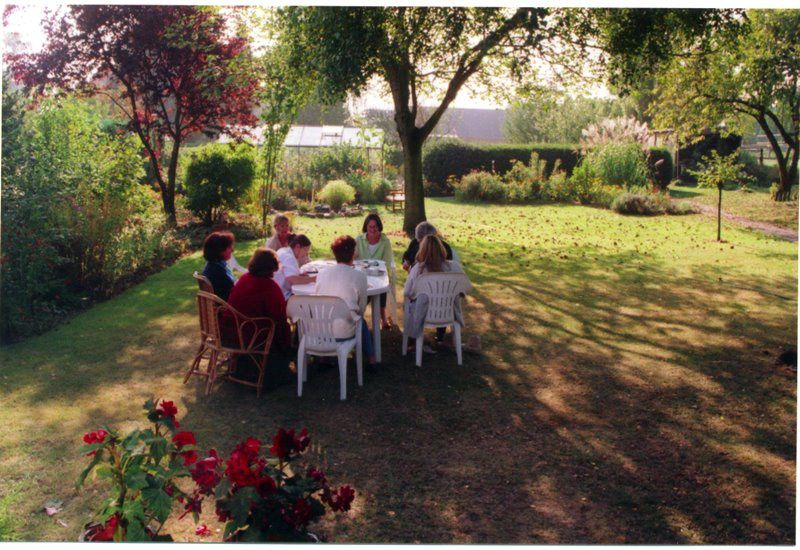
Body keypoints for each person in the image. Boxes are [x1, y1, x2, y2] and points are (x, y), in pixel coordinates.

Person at [314, 235, 376, 367]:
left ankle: (324, 357)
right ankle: (371, 358)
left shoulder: (322, 274)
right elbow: (362, 308)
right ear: (353, 253)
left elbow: (318, 297)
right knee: (360, 320)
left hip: (322, 329)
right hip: (345, 331)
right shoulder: (359, 276)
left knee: (354, 319)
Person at [403, 234, 471, 352]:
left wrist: (416, 295)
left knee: (408, 305)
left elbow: (407, 292)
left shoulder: (417, 269)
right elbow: (466, 288)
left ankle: (413, 341)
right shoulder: (454, 267)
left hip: (424, 314)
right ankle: (445, 339)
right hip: (448, 312)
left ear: (421, 250)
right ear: (441, 248)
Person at [224, 248, 291, 351]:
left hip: (229, 331)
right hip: (249, 335)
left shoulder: (244, 278)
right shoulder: (269, 286)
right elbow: (280, 318)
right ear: (272, 267)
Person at [354, 213, 396, 329]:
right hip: (362, 275)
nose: (373, 229)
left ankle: (382, 318)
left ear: (379, 227)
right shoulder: (359, 240)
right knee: (363, 292)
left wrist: (383, 275)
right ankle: (358, 318)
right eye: (370, 227)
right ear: (366, 227)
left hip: (379, 275)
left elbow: (387, 261)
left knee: (381, 287)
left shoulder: (385, 241)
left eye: (375, 226)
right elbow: (353, 259)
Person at [275, 234, 316, 300]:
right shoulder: (289, 257)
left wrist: (298, 275)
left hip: (279, 292)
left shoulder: (284, 250)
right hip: (284, 297)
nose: (306, 254)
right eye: (305, 250)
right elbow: (292, 280)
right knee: (311, 299)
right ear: (297, 247)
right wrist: (314, 279)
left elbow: (286, 274)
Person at [201, 231, 236, 301]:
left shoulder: (213, 265)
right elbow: (234, 291)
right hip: (228, 308)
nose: (232, 250)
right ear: (220, 250)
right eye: (229, 247)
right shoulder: (218, 272)